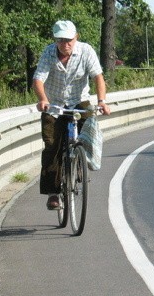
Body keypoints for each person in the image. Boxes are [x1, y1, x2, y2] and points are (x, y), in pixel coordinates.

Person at [33, 20, 111, 210]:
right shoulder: (49, 53)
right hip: (54, 104)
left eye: (69, 40)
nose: (65, 44)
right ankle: (53, 194)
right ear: (55, 40)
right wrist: (43, 99)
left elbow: (98, 77)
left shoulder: (86, 51)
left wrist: (101, 101)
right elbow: (38, 79)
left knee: (90, 127)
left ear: (76, 37)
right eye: (61, 40)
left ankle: (82, 161)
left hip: (79, 100)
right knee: (52, 146)